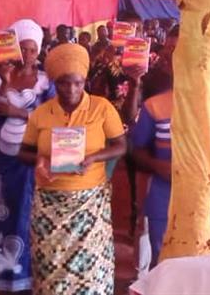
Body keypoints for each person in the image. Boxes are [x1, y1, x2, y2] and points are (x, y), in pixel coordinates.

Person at [19, 44, 127, 295]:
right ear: (54, 83)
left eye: (77, 83)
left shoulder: (101, 108)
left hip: (89, 204)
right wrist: (41, 160)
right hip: (49, 204)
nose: (71, 89)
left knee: (90, 270)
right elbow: (22, 152)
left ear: (85, 81)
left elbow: (121, 145)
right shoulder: (41, 114)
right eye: (64, 83)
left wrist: (94, 157)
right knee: (50, 266)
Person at [128, 30, 210, 272]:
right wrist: (158, 166)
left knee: (200, 260)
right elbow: (137, 149)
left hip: (201, 196)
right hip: (162, 196)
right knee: (163, 262)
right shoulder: (154, 106)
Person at [0, 19, 54, 292]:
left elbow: (53, 118)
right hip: (0, 160)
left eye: (33, 49)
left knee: (26, 214)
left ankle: (26, 278)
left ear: (39, 51)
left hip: (30, 160)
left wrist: (19, 112)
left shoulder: (46, 82)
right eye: (23, 48)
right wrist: (4, 83)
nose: (28, 55)